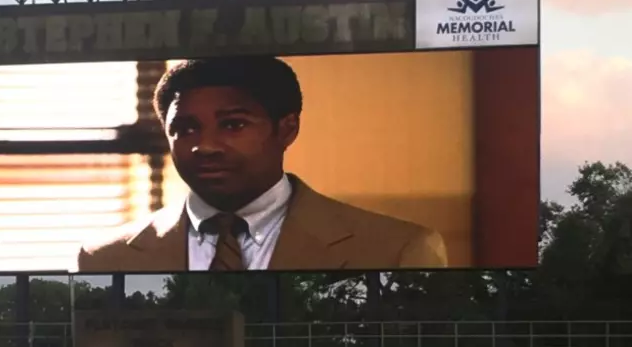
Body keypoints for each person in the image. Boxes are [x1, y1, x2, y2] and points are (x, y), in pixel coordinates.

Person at [76, 56, 448, 273]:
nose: (204, 146)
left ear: (287, 129)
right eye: (186, 128)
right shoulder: (105, 258)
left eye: (233, 124)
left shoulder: (397, 250)